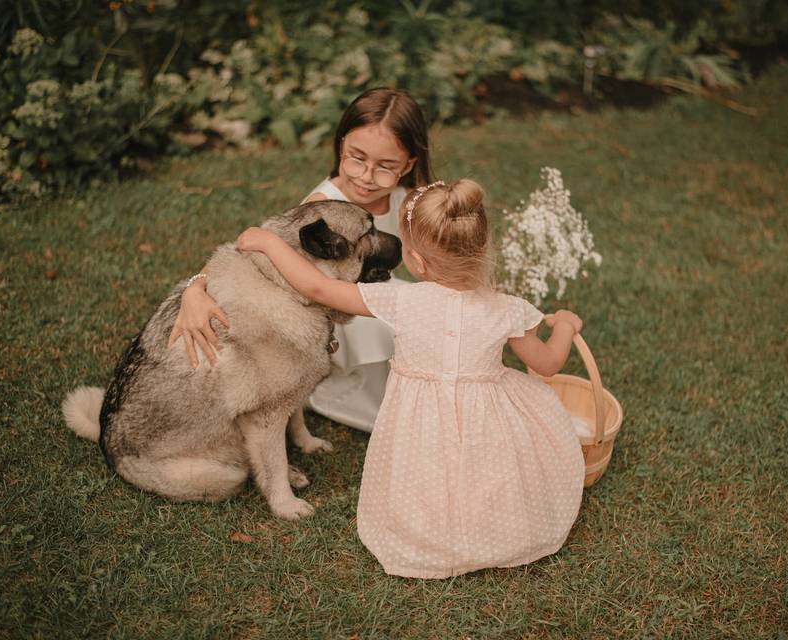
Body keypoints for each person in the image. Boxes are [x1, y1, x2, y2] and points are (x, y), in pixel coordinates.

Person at [235, 179, 586, 579]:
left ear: (416, 261)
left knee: (429, 476)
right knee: (488, 472)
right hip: (485, 423)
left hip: (421, 426)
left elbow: (318, 286)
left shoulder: (402, 300)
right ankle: (494, 528)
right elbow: (548, 364)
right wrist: (566, 327)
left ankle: (431, 532)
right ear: (483, 249)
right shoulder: (507, 309)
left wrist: (268, 241)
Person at [167, 88, 434, 432]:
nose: (367, 176)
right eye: (356, 158)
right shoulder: (322, 206)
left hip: (376, 294)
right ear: (340, 146)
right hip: (336, 316)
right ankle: (358, 393)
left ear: (409, 163)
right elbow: (252, 246)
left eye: (385, 166)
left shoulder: (407, 198)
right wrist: (195, 288)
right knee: (390, 329)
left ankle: (406, 386)